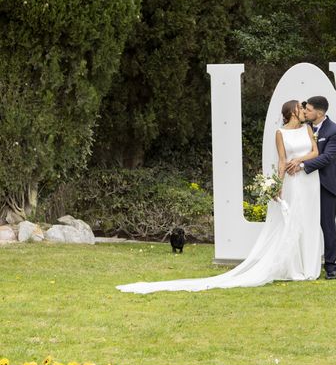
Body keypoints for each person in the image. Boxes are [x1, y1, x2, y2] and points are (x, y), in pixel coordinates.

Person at [116, 100, 322, 293]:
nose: (303, 110)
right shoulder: (280, 133)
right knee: (292, 221)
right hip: (293, 182)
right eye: (299, 107)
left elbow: (315, 152)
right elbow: (282, 160)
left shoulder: (308, 129)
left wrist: (299, 161)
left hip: (307, 181)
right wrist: (278, 184)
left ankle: (308, 265)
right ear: (292, 112)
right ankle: (294, 267)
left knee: (308, 221)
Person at [285, 96, 336, 280]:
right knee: (302, 223)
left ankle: (331, 265)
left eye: (308, 109)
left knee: (327, 225)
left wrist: (302, 165)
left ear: (319, 113)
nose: (305, 111)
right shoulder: (303, 128)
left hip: (324, 184)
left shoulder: (335, 131)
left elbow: (328, 157)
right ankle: (304, 263)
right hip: (303, 185)